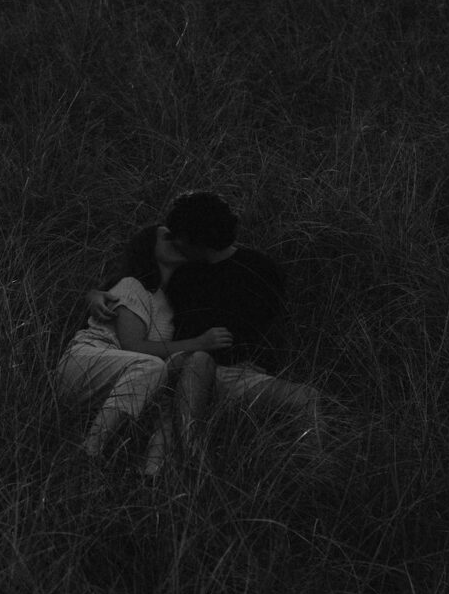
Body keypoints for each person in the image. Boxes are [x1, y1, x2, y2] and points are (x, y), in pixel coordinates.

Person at [62, 190, 327, 475]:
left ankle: (315, 473)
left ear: (194, 241)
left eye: (177, 236)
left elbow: (270, 328)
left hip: (233, 373)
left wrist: (257, 361)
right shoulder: (179, 276)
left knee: (307, 398)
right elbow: (130, 289)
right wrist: (94, 294)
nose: (173, 240)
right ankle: (188, 454)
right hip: (184, 367)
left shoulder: (256, 269)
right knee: (195, 362)